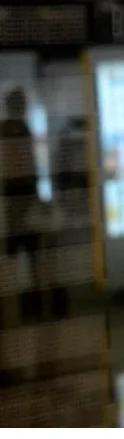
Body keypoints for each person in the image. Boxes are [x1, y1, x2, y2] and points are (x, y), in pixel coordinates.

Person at [0, 88, 42, 321]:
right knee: (28, 257)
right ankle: (28, 310)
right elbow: (29, 166)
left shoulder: (8, 129)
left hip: (14, 198)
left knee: (19, 258)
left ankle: (21, 310)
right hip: (21, 197)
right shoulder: (20, 130)